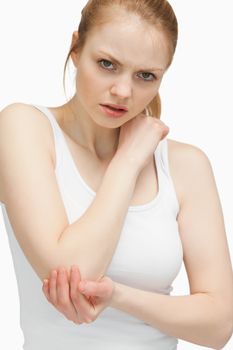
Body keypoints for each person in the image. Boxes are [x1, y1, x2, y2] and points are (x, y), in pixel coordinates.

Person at [0, 0, 232, 349]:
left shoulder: (186, 165)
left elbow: (218, 327)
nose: (123, 92)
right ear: (75, 49)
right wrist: (129, 159)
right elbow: (73, 272)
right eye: (107, 64)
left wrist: (119, 296)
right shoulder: (24, 128)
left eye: (145, 76)